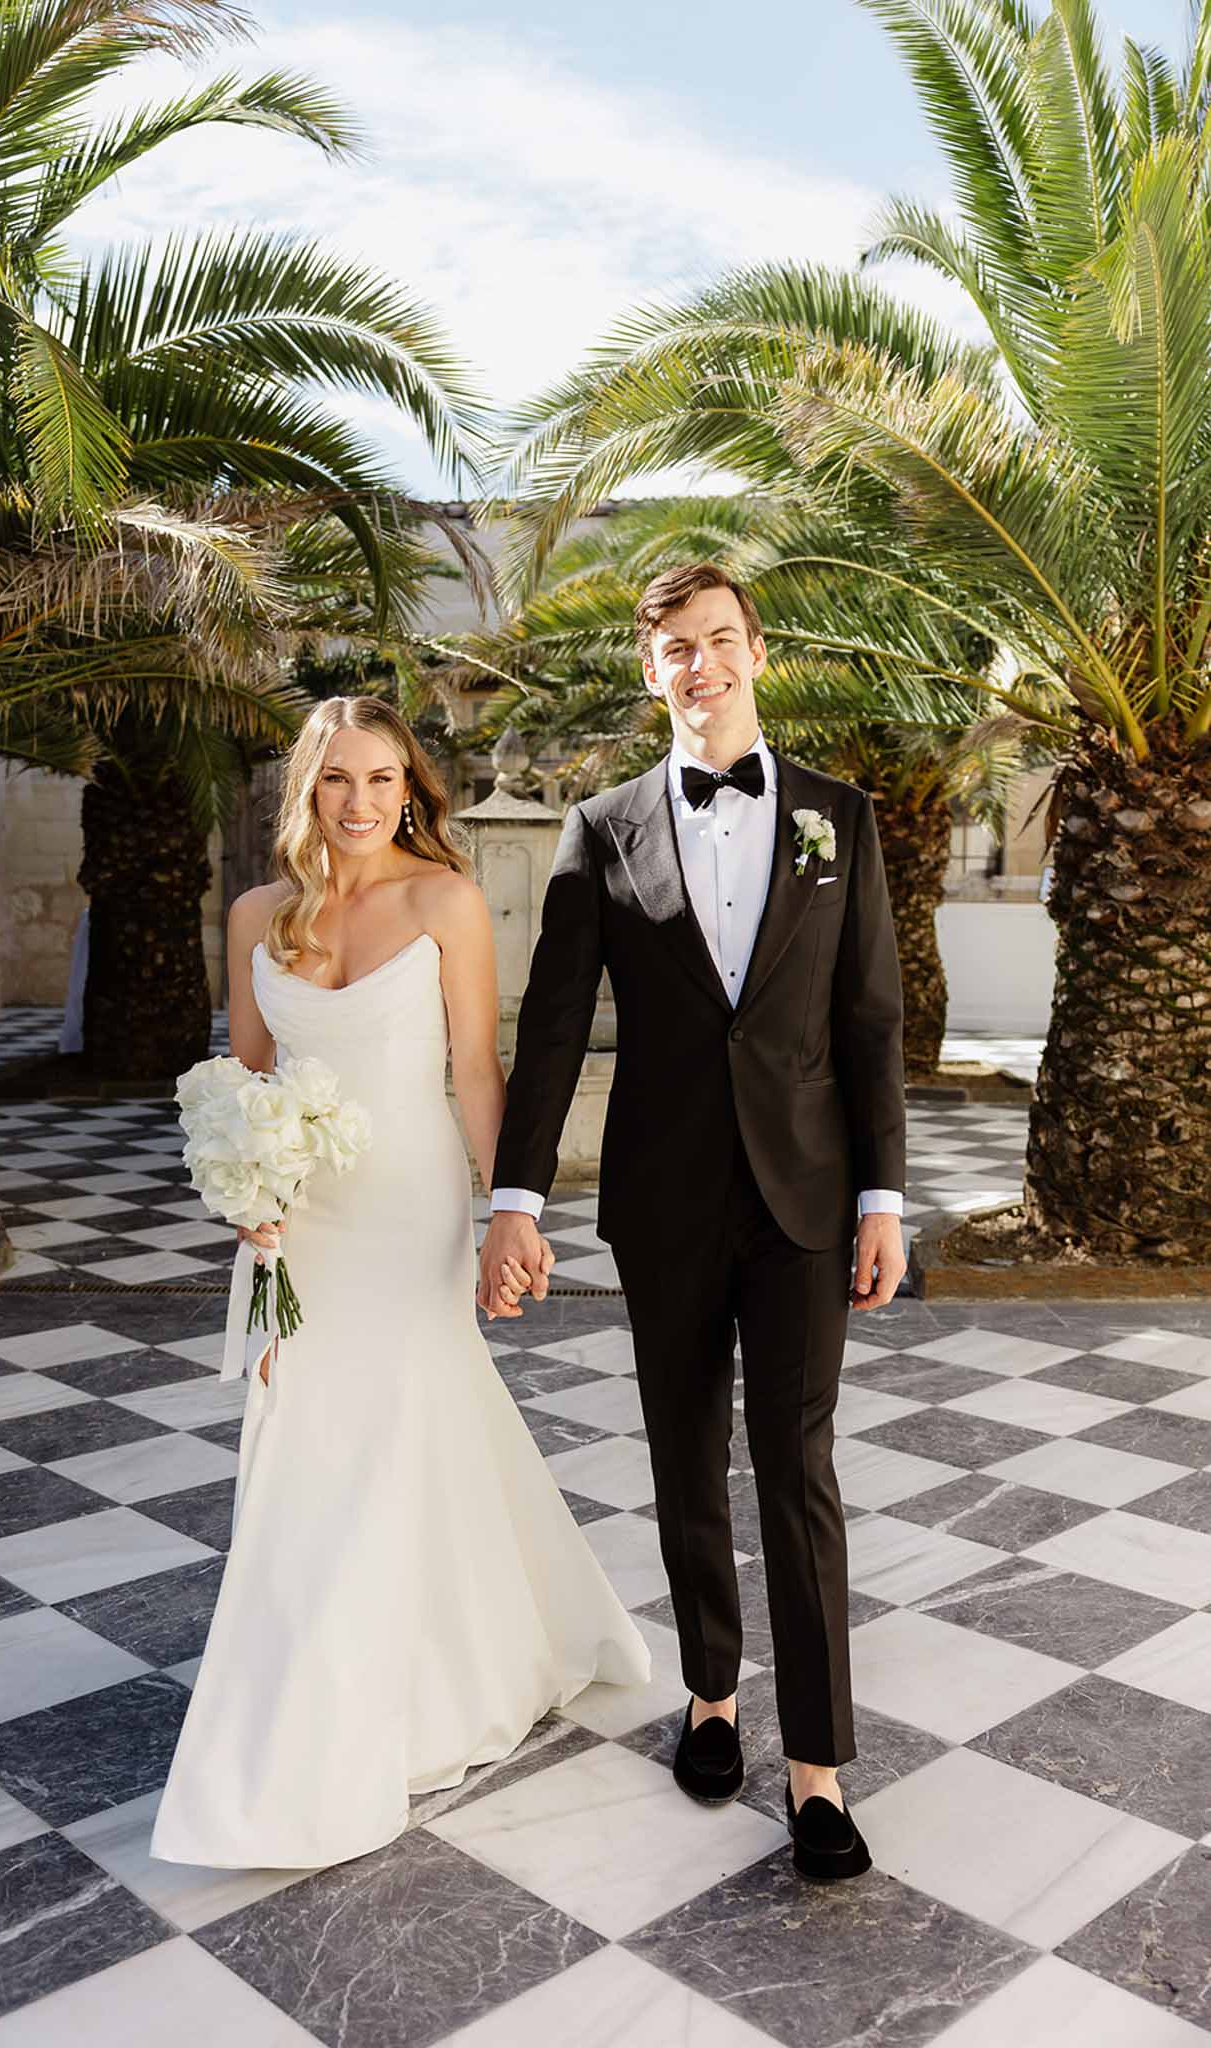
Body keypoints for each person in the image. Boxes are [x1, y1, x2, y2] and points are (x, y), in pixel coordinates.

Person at [152, 698, 649, 1872]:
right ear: (305, 791)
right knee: (307, 1435)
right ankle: (326, 1677)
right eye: (337, 780)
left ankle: (375, 1699)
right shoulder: (256, 915)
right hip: (300, 1221)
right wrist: (244, 1192)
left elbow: (477, 1068)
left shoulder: (446, 901)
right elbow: (244, 1076)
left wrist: (508, 1209)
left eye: (383, 779)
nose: (362, 801)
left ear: (410, 788)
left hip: (408, 1209)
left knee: (388, 1431)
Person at [478, 563, 907, 1883]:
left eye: (719, 640)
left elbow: (869, 1023)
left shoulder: (836, 819)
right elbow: (551, 1028)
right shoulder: (599, 829)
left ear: (756, 654)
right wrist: (514, 1197)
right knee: (681, 1457)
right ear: (647, 668)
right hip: (661, 1201)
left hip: (803, 1200)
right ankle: (710, 1700)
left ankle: (819, 1772)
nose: (699, 665)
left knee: (798, 1466)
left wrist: (882, 1197)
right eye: (674, 647)